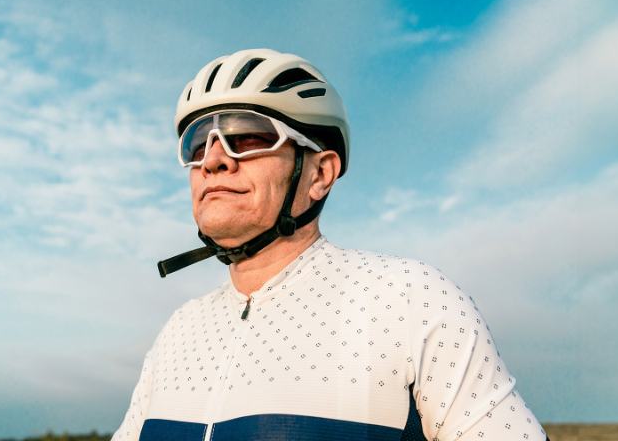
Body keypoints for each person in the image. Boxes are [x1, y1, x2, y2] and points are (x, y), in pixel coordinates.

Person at [113, 48, 549, 441]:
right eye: (197, 144)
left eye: (248, 137)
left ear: (320, 174)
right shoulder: (179, 330)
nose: (213, 160)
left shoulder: (411, 300)